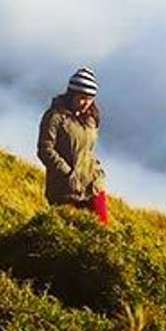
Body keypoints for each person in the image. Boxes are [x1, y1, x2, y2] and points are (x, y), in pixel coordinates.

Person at [37, 66, 109, 224]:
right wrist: (68, 173)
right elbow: (45, 149)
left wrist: (98, 173)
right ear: (72, 94)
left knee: (101, 233)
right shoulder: (55, 117)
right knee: (70, 233)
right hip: (64, 190)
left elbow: (88, 150)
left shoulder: (91, 119)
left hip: (93, 186)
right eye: (82, 97)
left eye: (90, 98)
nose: (86, 103)